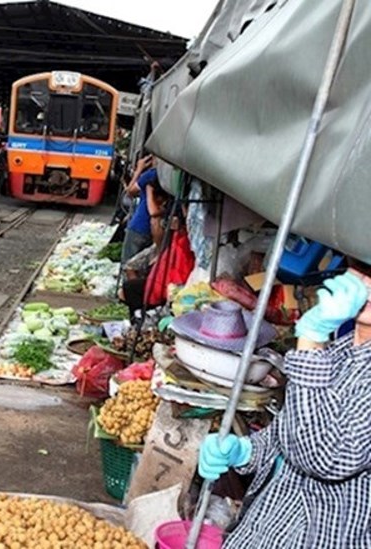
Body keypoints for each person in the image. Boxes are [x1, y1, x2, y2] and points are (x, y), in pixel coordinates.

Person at [198, 268, 371, 548]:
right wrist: (246, 451)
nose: (367, 283)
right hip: (270, 528)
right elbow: (292, 429)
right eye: (362, 268)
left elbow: (326, 458)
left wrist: (312, 339)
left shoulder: (320, 347)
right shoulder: (342, 350)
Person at [120, 155, 157, 264]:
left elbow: (129, 192)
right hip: (154, 230)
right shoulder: (162, 178)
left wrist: (139, 169)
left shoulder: (149, 175)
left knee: (128, 265)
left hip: (138, 226)